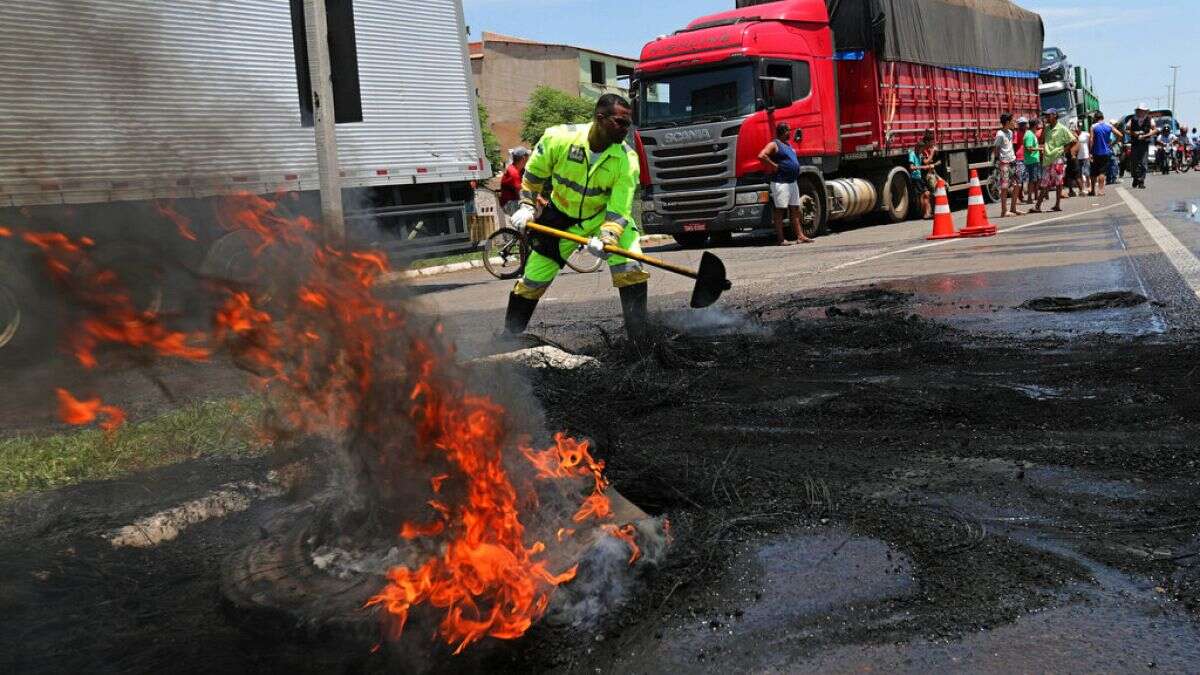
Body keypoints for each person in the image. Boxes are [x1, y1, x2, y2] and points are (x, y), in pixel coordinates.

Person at [505, 94, 650, 341]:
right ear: (600, 118)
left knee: (631, 267)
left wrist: (608, 238)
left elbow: (620, 209)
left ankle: (640, 343)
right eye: (620, 123)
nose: (626, 130)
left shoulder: (627, 160)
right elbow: (534, 174)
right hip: (559, 217)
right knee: (532, 281)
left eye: (628, 123)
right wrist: (527, 206)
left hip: (602, 218)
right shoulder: (558, 138)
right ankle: (508, 338)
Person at [757, 122, 814, 246]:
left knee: (795, 209)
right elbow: (761, 155)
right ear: (783, 131)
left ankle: (800, 236)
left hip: (792, 182)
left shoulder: (788, 145)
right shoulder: (774, 144)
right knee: (780, 210)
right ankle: (781, 239)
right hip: (780, 182)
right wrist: (774, 166)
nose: (791, 132)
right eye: (789, 130)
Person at [1034, 109, 1072, 213]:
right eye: (1045, 116)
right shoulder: (1046, 128)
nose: (1046, 117)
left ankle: (1057, 204)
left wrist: (1062, 151)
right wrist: (1043, 128)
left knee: (1059, 182)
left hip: (1057, 159)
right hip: (1047, 159)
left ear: (1054, 116)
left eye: (1048, 115)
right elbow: (1041, 141)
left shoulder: (1062, 128)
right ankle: (1037, 206)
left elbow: (1072, 140)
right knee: (1044, 182)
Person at [993, 113, 1022, 217]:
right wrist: (997, 161)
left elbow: (1010, 146)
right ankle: (1004, 211)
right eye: (1012, 121)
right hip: (1004, 162)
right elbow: (996, 149)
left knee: (1018, 184)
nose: (1014, 123)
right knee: (1004, 187)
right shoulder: (1000, 134)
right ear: (1007, 122)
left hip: (1013, 161)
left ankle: (1013, 208)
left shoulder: (1010, 132)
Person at [906, 131, 938, 219]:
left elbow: (924, 162)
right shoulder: (912, 154)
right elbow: (912, 167)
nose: (922, 151)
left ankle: (927, 213)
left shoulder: (919, 155)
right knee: (924, 194)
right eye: (921, 149)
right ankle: (925, 214)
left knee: (926, 194)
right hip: (915, 178)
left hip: (919, 177)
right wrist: (923, 167)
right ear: (918, 148)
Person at [1089, 111, 1119, 197]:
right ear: (1103, 117)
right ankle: (1101, 191)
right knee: (1102, 172)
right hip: (1106, 152)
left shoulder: (1093, 127)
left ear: (1095, 118)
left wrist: (1090, 152)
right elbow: (1120, 135)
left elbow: (1091, 140)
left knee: (1093, 172)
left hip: (1095, 152)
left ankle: (1092, 190)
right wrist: (1112, 144)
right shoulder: (1109, 126)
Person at [1128, 104, 1156, 189]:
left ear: (1145, 111)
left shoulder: (1150, 119)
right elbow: (1127, 129)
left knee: (1143, 163)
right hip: (1135, 143)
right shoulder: (1132, 119)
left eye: (1142, 110)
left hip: (1144, 143)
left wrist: (1146, 135)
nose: (1141, 112)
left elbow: (1155, 130)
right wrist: (1134, 134)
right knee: (1134, 163)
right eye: (1139, 110)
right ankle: (1135, 178)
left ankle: (1141, 181)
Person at [499, 147, 530, 213]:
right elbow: (521, 191)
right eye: (528, 157)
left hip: (514, 201)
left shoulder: (520, 170)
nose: (529, 159)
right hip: (510, 204)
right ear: (524, 158)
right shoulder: (513, 172)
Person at [1023, 119, 1043, 205]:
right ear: (1035, 125)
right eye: (1038, 124)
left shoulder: (1032, 134)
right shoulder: (1029, 135)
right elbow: (1029, 148)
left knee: (1036, 178)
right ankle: (1029, 198)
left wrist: (1040, 147)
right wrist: (1040, 149)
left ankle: (1035, 196)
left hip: (1035, 160)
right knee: (1032, 180)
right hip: (1031, 161)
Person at [1014, 117, 1029, 204]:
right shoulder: (1017, 134)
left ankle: (1021, 196)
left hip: (1025, 157)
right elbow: (1014, 145)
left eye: (1024, 123)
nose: (1023, 125)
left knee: (1023, 179)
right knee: (1019, 179)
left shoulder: (1026, 133)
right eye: (1022, 124)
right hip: (1019, 158)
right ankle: (1018, 197)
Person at [1075, 121, 1091, 196]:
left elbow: (1090, 143)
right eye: (1078, 126)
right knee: (1080, 173)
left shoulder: (1086, 134)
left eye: (1080, 126)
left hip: (1085, 155)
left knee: (1087, 172)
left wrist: (1090, 153)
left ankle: (1089, 186)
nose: (1079, 127)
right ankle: (1083, 187)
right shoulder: (1074, 134)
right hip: (1077, 156)